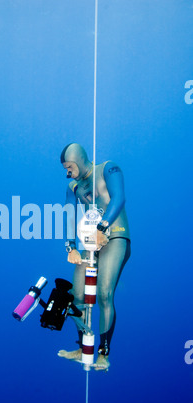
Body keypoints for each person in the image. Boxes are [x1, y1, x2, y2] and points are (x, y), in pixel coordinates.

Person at [58, 143, 131, 371]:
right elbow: (70, 216)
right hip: (91, 243)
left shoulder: (108, 168)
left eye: (69, 167)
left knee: (104, 293)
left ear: (79, 160)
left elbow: (119, 198)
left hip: (116, 237)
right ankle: (83, 346)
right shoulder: (73, 187)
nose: (67, 172)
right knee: (76, 295)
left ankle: (103, 353)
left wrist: (102, 227)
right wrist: (70, 247)